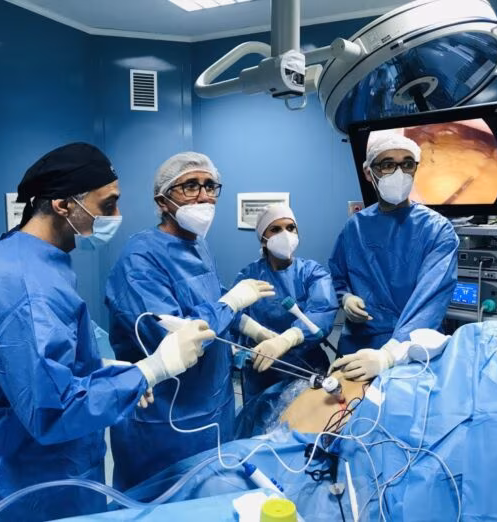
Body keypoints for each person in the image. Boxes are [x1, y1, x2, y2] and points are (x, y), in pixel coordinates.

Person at [0, 143, 213, 521]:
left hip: (41, 464)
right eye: (107, 205)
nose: (117, 216)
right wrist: (152, 369)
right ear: (63, 205)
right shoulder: (26, 287)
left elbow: (33, 364)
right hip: (37, 485)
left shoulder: (21, 256)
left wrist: (106, 372)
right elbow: (54, 410)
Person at [105, 151, 275, 491]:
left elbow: (208, 297)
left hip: (212, 401)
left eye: (210, 186)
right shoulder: (140, 258)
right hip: (166, 416)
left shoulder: (198, 245)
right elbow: (175, 338)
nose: (204, 196)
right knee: (162, 500)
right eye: (190, 186)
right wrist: (230, 303)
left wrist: (253, 328)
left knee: (212, 492)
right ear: (162, 200)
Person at [328, 131, 459, 380]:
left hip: (413, 348)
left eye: (407, 164)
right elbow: (338, 276)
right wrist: (346, 298)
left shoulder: (437, 230)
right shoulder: (355, 227)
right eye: (388, 164)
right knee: (346, 404)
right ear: (369, 173)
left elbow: (429, 301)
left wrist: (389, 355)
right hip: (359, 343)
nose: (399, 173)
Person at [233, 204, 338, 402]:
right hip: (262, 372)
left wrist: (286, 339)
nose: (285, 234)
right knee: (260, 419)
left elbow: (322, 311)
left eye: (290, 228)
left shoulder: (312, 272)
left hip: (307, 369)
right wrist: (254, 336)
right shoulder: (249, 276)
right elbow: (233, 315)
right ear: (263, 239)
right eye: (275, 229)